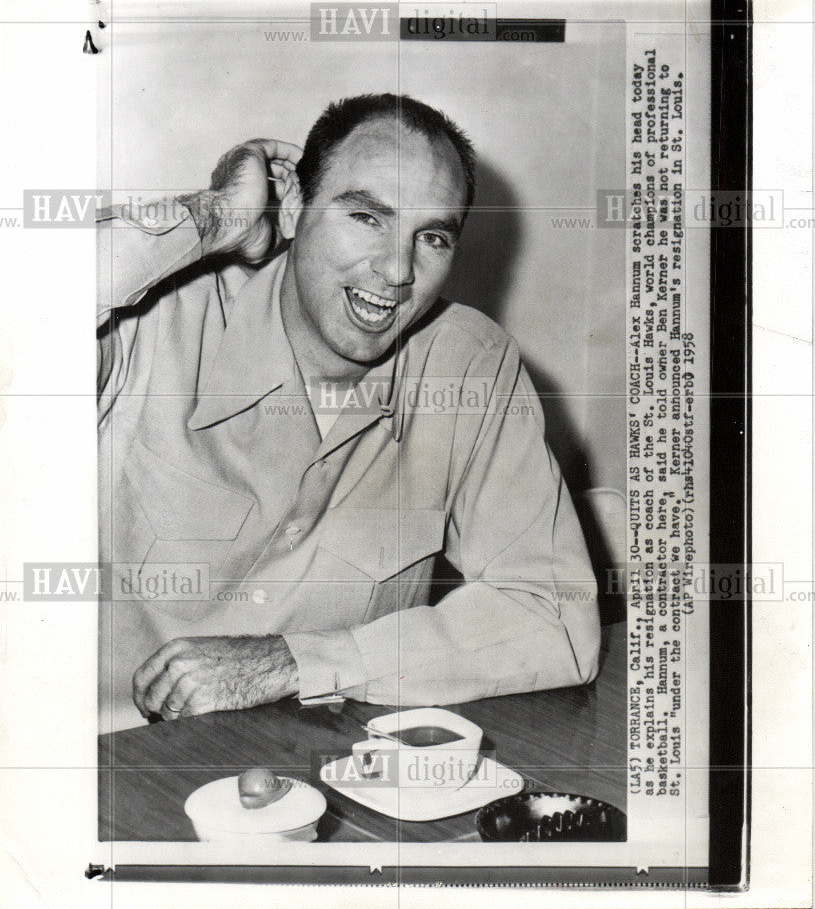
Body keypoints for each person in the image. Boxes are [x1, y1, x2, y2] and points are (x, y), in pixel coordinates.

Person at [97, 93, 600, 732]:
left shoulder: (467, 365)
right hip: (97, 781)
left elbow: (554, 615)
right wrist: (212, 215)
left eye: (432, 237)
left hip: (322, 772)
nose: (396, 270)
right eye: (366, 216)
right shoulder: (151, 320)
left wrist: (294, 663)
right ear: (296, 207)